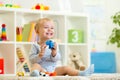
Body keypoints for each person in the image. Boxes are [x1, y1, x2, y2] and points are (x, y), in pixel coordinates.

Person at [29, 18, 94, 77]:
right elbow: (31, 59)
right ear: (37, 31)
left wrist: (54, 53)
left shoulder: (54, 44)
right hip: (41, 69)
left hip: (53, 69)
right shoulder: (35, 45)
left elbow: (57, 59)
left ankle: (81, 73)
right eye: (46, 27)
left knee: (66, 68)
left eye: (52, 28)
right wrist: (39, 55)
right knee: (35, 66)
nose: (49, 30)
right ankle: (35, 74)